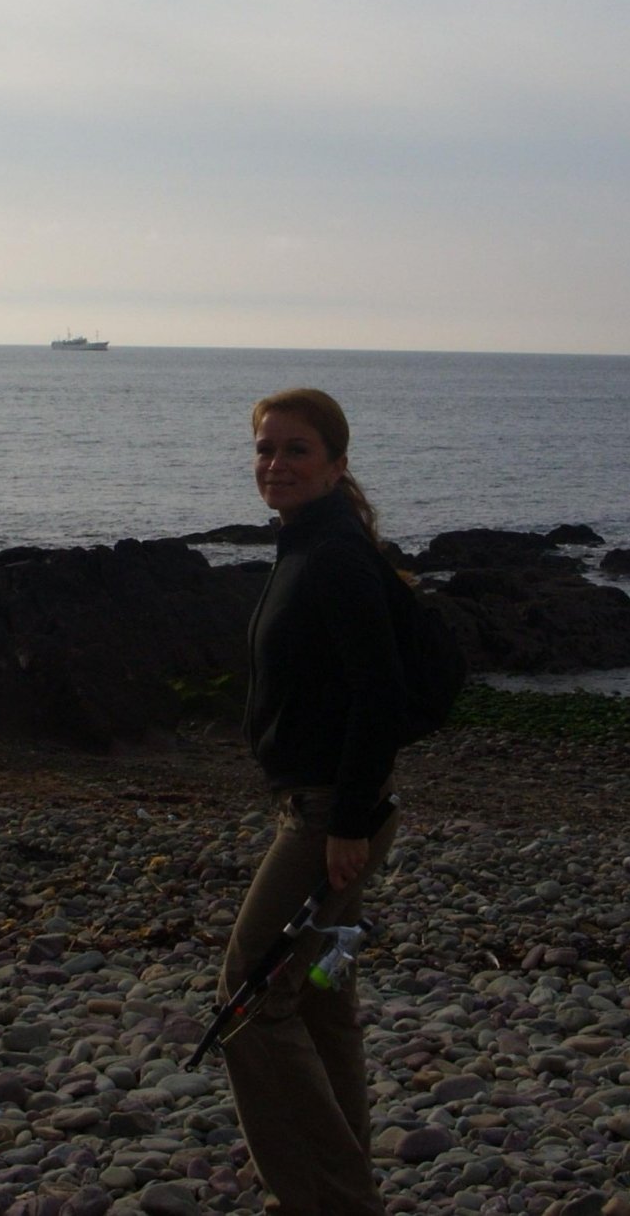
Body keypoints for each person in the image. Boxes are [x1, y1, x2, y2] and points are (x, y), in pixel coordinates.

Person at [220, 387, 405, 1216]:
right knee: (323, 998)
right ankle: (345, 1185)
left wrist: (350, 823)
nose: (275, 464)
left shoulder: (333, 556)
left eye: (296, 449)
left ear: (336, 463)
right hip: (329, 807)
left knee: (251, 998)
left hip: (331, 816)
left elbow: (381, 694)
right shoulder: (308, 543)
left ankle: (331, 1201)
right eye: (266, 448)